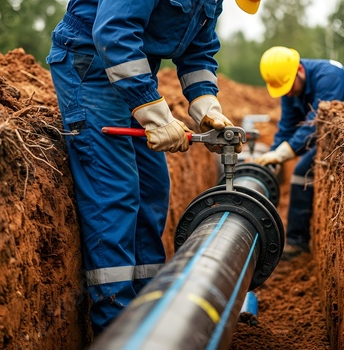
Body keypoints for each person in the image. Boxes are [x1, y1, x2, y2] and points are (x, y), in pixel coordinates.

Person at [46, 0, 261, 336]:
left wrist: (206, 104)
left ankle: (150, 311)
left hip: (133, 70)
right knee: (116, 193)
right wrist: (154, 113)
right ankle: (116, 328)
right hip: (91, 66)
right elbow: (113, 32)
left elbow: (199, 51)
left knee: (152, 189)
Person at [254, 46, 344, 259]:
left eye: (289, 87)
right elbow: (287, 126)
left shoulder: (328, 77)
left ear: (300, 70)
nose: (288, 93)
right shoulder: (291, 87)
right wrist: (272, 155)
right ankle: (297, 238)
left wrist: (286, 152)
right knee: (302, 169)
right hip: (334, 136)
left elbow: (316, 123)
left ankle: (297, 241)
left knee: (303, 170)